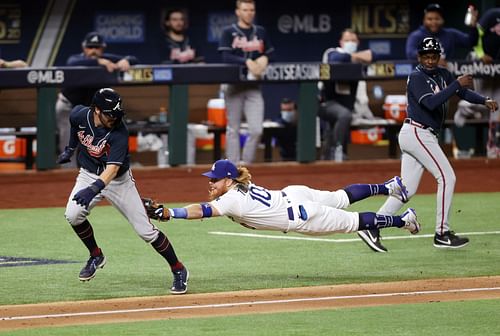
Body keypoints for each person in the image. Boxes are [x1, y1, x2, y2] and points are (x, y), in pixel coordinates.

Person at [358, 37, 498, 252]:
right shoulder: (416, 76)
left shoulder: (443, 74)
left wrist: (483, 100)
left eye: (434, 56)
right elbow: (431, 102)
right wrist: (456, 84)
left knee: (406, 189)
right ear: (419, 57)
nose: (430, 60)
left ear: (438, 57)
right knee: (447, 176)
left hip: (422, 134)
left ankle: (372, 226)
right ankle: (442, 233)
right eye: (426, 56)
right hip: (416, 132)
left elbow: (463, 92)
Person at [56, 88, 189, 294]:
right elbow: (75, 127)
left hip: (118, 181)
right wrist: (70, 148)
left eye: (117, 113)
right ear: (96, 110)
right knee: (73, 215)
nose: (114, 118)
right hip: (88, 174)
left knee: (146, 231)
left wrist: (92, 190)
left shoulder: (119, 132)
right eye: (110, 113)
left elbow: (112, 170)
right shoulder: (79, 114)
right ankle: (96, 255)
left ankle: (179, 269)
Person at [144, 159, 421, 241]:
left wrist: (170, 213)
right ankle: (387, 187)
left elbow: (201, 211)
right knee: (341, 196)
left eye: (214, 179)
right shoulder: (242, 183)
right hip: (294, 194)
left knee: (354, 222)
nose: (210, 182)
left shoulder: (229, 200)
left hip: (302, 214)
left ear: (228, 180)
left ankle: (403, 220)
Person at [55, 32, 139, 168]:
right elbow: (72, 63)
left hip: (92, 111)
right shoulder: (77, 58)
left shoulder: (107, 58)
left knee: (97, 141)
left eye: (97, 47)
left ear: (103, 48)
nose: (93, 51)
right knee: (69, 142)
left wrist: (127, 60)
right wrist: (98, 61)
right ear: (84, 48)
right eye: (90, 47)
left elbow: (134, 58)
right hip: (68, 106)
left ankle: (98, 171)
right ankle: (67, 173)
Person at [218, 0, 274, 164]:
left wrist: (264, 58)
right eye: (245, 9)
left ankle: (246, 164)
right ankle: (232, 167)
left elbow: (271, 53)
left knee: (257, 130)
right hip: (233, 85)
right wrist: (246, 61)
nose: (249, 13)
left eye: (251, 10)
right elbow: (226, 57)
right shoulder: (228, 31)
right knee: (233, 129)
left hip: (253, 86)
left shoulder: (260, 31)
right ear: (238, 12)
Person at [318, 29, 378, 160]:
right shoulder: (332, 52)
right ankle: (337, 151)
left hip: (349, 106)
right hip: (326, 103)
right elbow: (338, 58)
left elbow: (373, 55)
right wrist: (355, 57)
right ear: (341, 42)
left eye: (353, 40)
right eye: (347, 40)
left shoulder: (359, 56)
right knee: (344, 115)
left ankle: (331, 157)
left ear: (358, 42)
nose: (350, 42)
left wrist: (355, 56)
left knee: (335, 126)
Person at [455, 7, 500, 158]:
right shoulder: (493, 14)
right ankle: (463, 108)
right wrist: (481, 55)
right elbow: (476, 37)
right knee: (483, 100)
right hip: (481, 62)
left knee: (496, 106)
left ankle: (492, 146)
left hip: (497, 66)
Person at [405, 3, 478, 66]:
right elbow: (410, 53)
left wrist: (473, 27)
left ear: (442, 20)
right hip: (423, 76)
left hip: (446, 74)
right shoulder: (416, 35)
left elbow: (470, 42)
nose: (434, 22)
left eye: (437, 19)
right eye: (430, 19)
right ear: (424, 21)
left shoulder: (450, 34)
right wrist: (432, 58)